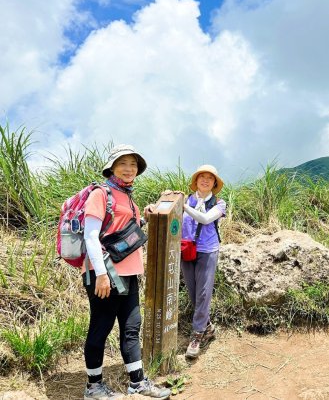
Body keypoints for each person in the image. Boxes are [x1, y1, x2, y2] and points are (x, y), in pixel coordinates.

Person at [82, 144, 171, 400]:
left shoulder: (128, 196)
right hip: (106, 274)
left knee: (131, 327)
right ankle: (93, 387)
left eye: (133, 165)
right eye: (123, 164)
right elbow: (90, 235)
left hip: (129, 273)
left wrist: (144, 215)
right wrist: (100, 274)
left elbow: (122, 230)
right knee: (101, 327)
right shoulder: (101, 194)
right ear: (112, 167)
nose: (129, 169)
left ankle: (137, 383)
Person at [180, 165, 226, 359]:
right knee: (193, 292)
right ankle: (208, 328)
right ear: (196, 181)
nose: (205, 180)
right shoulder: (185, 199)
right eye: (202, 177)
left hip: (207, 251)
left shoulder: (219, 203)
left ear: (214, 183)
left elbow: (206, 219)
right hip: (186, 250)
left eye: (210, 178)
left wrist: (183, 207)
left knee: (204, 293)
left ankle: (197, 336)